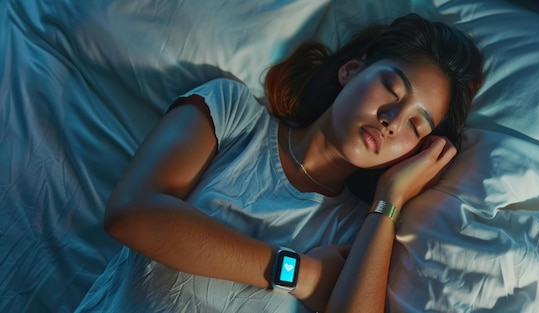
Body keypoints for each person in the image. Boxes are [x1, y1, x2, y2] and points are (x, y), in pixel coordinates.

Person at [76, 12, 483, 313]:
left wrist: (389, 201)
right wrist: (300, 273)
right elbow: (131, 214)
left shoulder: (359, 234)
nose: (392, 121)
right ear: (351, 70)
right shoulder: (229, 113)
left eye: (416, 125)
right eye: (391, 87)